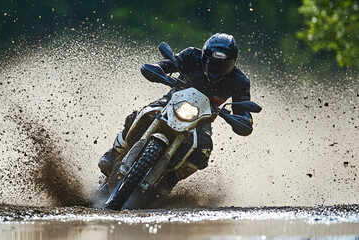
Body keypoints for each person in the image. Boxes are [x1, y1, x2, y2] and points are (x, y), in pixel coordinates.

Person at [98, 33, 254, 191]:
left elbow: (244, 111)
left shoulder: (240, 81)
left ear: (233, 63)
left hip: (202, 119)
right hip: (171, 101)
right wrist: (156, 69)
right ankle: (114, 153)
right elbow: (165, 64)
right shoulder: (191, 55)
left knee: (203, 150)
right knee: (144, 113)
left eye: (223, 65)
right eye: (212, 63)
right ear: (204, 56)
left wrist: (242, 120)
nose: (216, 69)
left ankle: (169, 181)